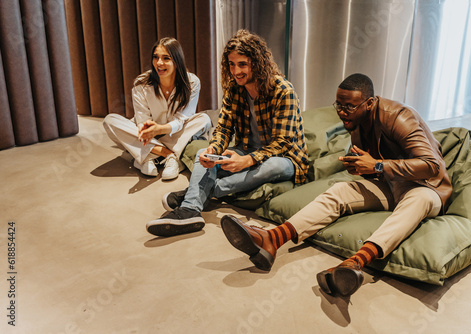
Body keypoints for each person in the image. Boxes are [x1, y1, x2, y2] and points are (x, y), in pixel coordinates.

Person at [220, 73, 452, 297]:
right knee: (341, 189)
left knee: (418, 200)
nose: (341, 112)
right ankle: (272, 239)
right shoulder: (357, 125)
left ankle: (354, 264)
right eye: (338, 105)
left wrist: (377, 166)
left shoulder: (399, 116)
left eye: (349, 106)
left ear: (369, 103)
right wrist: (361, 168)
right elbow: (374, 165)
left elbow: (431, 165)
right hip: (391, 185)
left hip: (426, 187)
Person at [145, 29, 309, 237]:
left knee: (272, 166)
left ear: (257, 63)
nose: (235, 71)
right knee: (202, 155)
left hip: (285, 158)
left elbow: (282, 143)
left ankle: (194, 195)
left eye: (242, 64)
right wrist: (214, 148)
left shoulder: (283, 91)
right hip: (246, 148)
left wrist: (248, 160)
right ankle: (190, 212)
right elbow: (223, 127)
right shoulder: (234, 89)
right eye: (231, 64)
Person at [103, 37, 211, 180]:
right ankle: (169, 155)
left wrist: (160, 129)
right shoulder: (141, 83)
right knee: (110, 121)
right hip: (149, 134)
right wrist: (150, 132)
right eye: (156, 57)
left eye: (166, 58)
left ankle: (145, 154)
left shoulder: (192, 82)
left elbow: (182, 119)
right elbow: (142, 121)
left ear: (177, 61)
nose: (159, 63)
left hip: (175, 132)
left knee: (204, 119)